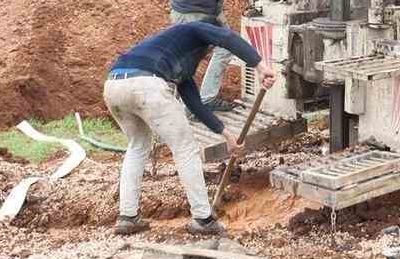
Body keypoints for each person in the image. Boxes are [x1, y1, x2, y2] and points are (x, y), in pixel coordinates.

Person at [103, 20, 278, 236]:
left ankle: (127, 217)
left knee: (137, 146)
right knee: (186, 148)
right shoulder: (195, 28)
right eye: (210, 47)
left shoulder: (174, 55)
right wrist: (260, 66)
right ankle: (203, 220)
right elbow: (228, 37)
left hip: (113, 85)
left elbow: (195, 104)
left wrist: (227, 135)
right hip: (145, 85)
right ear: (209, 37)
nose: (207, 53)